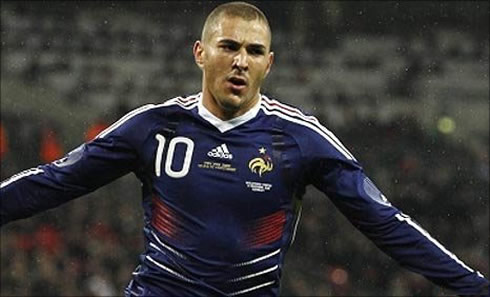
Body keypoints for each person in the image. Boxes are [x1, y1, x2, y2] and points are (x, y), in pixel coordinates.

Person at [0, 2, 488, 296]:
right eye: (228, 46)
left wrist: (474, 285)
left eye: (254, 52)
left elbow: (384, 223)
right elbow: (55, 182)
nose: (240, 61)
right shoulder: (154, 126)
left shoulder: (301, 139)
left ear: (269, 63)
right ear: (200, 53)